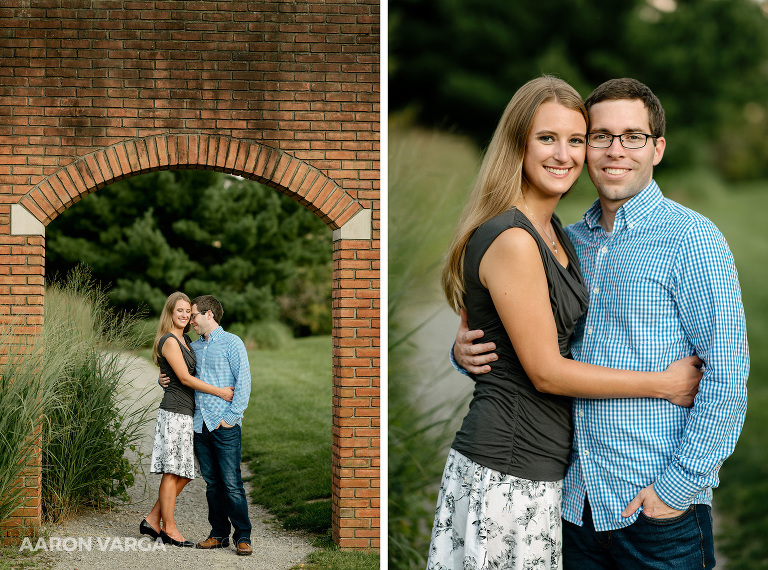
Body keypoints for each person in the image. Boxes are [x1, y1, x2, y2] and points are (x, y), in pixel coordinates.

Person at [452, 78, 749, 569]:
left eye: (633, 136)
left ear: (657, 148)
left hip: (655, 515)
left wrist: (674, 492)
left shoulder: (692, 239)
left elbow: (727, 379)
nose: (616, 150)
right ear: (587, 148)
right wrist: (462, 353)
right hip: (573, 507)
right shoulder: (566, 243)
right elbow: (525, 342)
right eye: (601, 136)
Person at [160, 294, 253, 556]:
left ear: (209, 314)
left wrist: (230, 418)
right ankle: (219, 534)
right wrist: (162, 378)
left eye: (194, 315)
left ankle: (243, 536)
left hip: (223, 425)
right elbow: (181, 374)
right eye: (187, 315)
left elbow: (243, 384)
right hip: (199, 425)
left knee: (232, 483)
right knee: (212, 484)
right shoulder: (194, 346)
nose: (190, 320)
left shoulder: (233, 343)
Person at [140, 292, 235, 547]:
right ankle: (168, 529)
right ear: (170, 312)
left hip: (186, 414)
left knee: (187, 470)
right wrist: (220, 392)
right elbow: (183, 378)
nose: (184, 315)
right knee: (173, 472)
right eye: (179, 310)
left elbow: (176, 373)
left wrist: (163, 379)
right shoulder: (170, 340)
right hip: (174, 414)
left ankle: (152, 518)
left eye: (187, 312)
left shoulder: (186, 339)